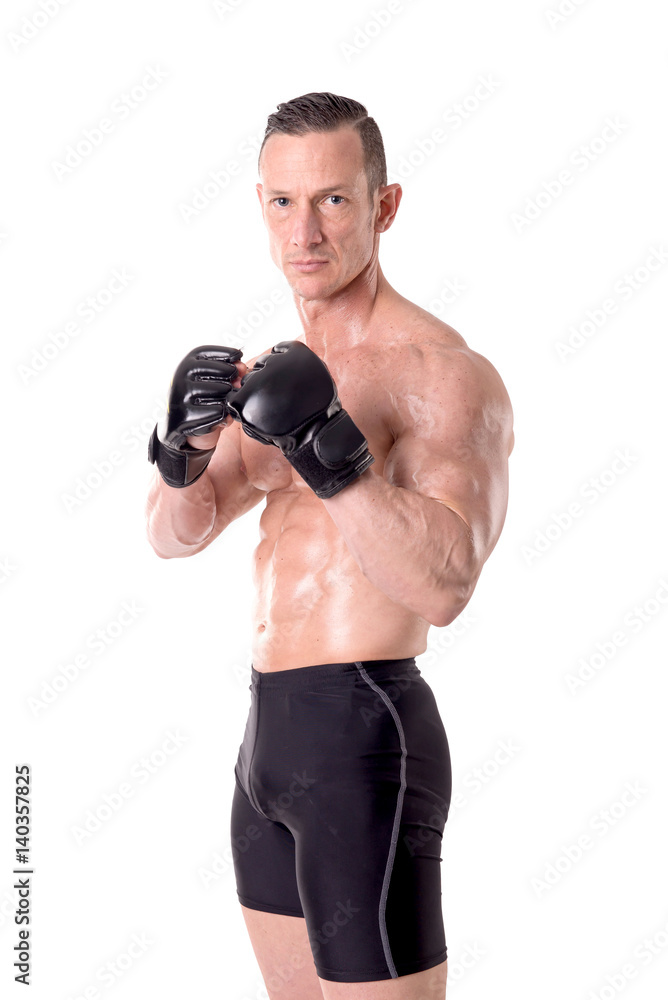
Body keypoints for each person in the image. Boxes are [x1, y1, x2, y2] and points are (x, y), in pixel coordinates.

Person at [146, 92, 514, 999]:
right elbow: (170, 537)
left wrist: (332, 460)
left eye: (335, 200)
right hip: (267, 740)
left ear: (384, 206)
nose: (303, 230)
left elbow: (446, 584)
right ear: (261, 205)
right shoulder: (273, 375)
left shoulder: (441, 373)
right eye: (283, 202)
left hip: (365, 736)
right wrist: (181, 454)